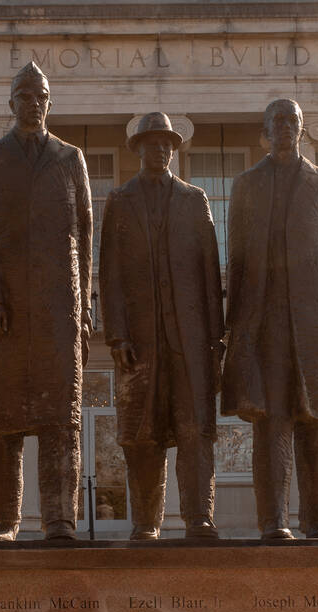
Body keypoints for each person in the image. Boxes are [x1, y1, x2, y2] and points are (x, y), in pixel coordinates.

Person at [0, 61, 93, 541]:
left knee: (61, 420)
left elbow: (84, 235)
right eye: (24, 96)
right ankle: (5, 520)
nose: (32, 104)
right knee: (3, 422)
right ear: (12, 104)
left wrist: (85, 311)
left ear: (49, 104)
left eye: (40, 96)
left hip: (59, 309)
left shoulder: (70, 158)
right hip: (7, 312)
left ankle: (60, 518)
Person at [221, 98, 318, 540]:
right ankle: (273, 520)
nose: (285, 128)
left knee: (317, 423)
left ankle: (317, 519)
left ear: (301, 129)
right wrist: (232, 327)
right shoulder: (247, 185)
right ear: (266, 129)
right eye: (277, 121)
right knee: (271, 422)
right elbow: (235, 260)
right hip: (264, 322)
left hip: (314, 322)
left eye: (292, 121)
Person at [99, 112, 224, 540]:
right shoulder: (120, 200)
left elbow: (211, 274)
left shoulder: (195, 200)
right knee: (142, 433)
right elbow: (109, 273)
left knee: (195, 430)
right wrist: (115, 333)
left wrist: (216, 338)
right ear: (138, 149)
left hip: (191, 340)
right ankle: (145, 522)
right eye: (152, 144)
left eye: (167, 144)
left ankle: (198, 518)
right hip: (139, 339)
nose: (161, 150)